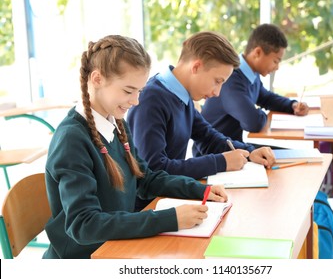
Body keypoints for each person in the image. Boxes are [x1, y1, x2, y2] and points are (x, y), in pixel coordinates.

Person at [43, 35, 228, 259]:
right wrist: (170, 219)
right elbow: (84, 225)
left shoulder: (117, 124)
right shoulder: (71, 139)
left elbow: (145, 179)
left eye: (139, 91)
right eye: (128, 91)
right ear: (97, 79)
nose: (136, 101)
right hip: (85, 258)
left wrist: (199, 190)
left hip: (115, 247)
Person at [197, 23, 333, 200]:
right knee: (298, 161)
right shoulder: (231, 79)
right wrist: (258, 112)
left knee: (303, 157)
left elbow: (265, 97)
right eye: (276, 60)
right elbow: (253, 123)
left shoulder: (250, 74)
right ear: (257, 52)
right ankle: (330, 189)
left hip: (237, 147)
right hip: (218, 154)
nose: (277, 66)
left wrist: (292, 105)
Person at [126, 31, 275, 210]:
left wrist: (250, 152)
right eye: (217, 81)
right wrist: (221, 161)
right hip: (149, 208)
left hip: (171, 198)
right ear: (196, 67)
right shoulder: (151, 99)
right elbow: (154, 169)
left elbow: (208, 137)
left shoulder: (182, 95)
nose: (217, 92)